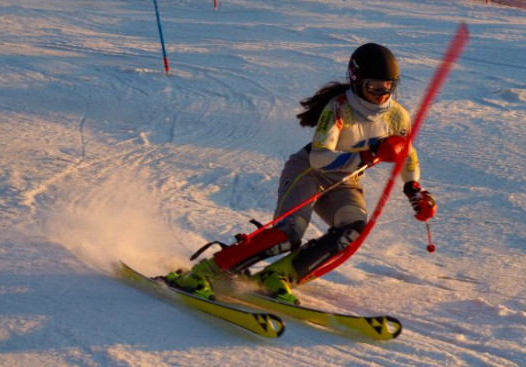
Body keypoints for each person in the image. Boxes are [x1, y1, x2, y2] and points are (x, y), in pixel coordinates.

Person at [161, 43, 437, 304]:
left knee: (352, 228)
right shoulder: (340, 108)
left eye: (389, 86)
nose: (383, 94)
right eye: (374, 87)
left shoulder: (397, 115)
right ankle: (204, 272)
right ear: (356, 80)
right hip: (308, 171)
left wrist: (413, 189)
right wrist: (368, 154)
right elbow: (320, 159)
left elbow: (407, 153)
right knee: (288, 234)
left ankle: (279, 276)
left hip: (344, 180)